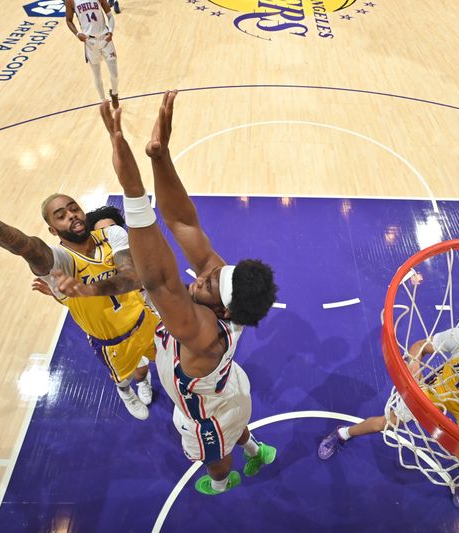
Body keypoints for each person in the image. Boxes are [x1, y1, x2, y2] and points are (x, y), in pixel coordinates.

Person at [99, 91, 279, 495]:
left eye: (209, 285)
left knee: (214, 456)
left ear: (223, 309)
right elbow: (182, 221)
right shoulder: (223, 295)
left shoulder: (200, 331)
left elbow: (159, 281)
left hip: (206, 416)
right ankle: (255, 449)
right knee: (237, 423)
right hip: (228, 391)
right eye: (210, 276)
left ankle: (222, 482)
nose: (201, 278)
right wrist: (160, 156)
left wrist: (133, 191)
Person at [0, 195, 157, 420]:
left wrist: (88, 290)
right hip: (111, 340)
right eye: (61, 215)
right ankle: (126, 393)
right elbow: (27, 246)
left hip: (143, 320)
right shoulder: (60, 260)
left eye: (74, 209)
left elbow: (132, 277)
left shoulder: (112, 236)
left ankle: (145, 380)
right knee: (125, 376)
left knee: (156, 363)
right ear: (52, 229)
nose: (71, 215)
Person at [319, 303, 459, 508]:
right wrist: (415, 364)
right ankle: (342, 434)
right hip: (439, 391)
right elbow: (421, 345)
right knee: (386, 422)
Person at [64, 0, 120, 108]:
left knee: (115, 75)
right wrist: (77, 34)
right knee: (96, 74)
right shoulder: (70, 1)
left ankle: (114, 93)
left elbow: (110, 16)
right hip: (89, 42)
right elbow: (68, 20)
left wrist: (111, 31)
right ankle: (104, 101)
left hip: (105, 39)